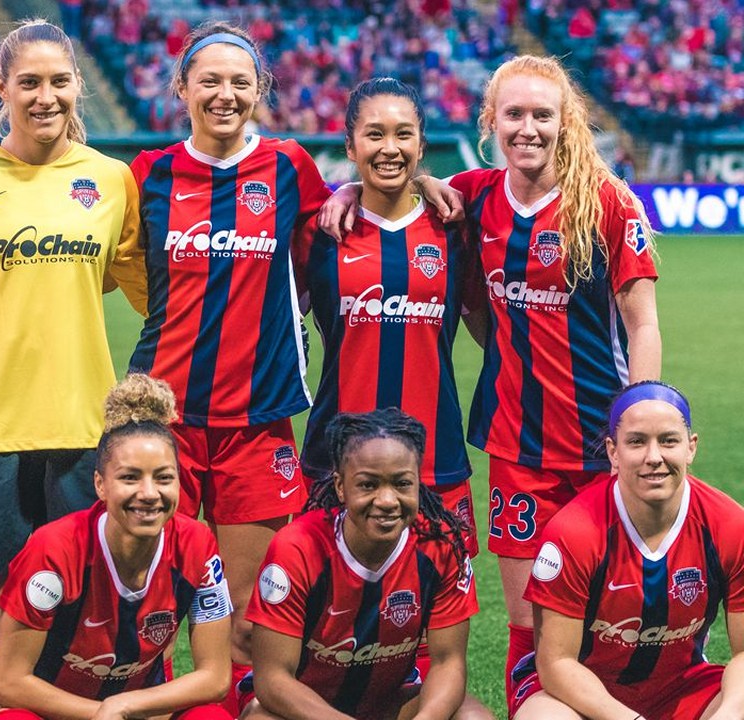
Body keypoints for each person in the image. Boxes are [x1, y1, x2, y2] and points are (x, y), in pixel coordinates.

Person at [322, 54, 661, 706]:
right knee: (529, 627)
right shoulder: (474, 196)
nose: (528, 128)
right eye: (514, 115)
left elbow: (643, 323)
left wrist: (638, 431)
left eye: (542, 115)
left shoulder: (607, 202)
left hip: (601, 448)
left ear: (565, 122)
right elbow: (400, 180)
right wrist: (345, 191)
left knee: (608, 619)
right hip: (516, 445)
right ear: (491, 121)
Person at [0, 20, 146, 716]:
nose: (46, 96)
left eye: (59, 81)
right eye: (30, 82)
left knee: (77, 605)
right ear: (1, 88)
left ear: (77, 86)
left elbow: (157, 293)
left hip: (84, 427)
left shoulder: (111, 181)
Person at [126, 22, 328, 706]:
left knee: (246, 615)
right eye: (209, 81)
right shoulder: (149, 174)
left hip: (258, 421)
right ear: (181, 88)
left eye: (240, 82)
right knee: (149, 604)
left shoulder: (290, 168)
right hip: (162, 421)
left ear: (259, 90)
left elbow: (341, 225)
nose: (224, 94)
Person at [0, 373, 232, 720]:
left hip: (134, 713)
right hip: (51, 713)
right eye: (130, 477)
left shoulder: (197, 545)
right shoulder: (54, 550)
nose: (149, 493)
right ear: (100, 484)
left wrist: (127, 706)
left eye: (164, 478)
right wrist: (104, 712)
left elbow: (216, 676)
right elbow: (7, 683)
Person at [303, 78, 476, 557]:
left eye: (403, 134)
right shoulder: (320, 233)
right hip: (336, 462)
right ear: (350, 145)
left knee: (439, 601)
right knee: (330, 600)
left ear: (422, 144)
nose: (390, 148)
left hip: (435, 459)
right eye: (374, 134)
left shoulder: (455, 230)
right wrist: (345, 191)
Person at [515, 381, 744, 719]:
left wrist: (729, 713)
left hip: (683, 688)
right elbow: (557, 664)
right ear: (613, 451)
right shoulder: (574, 532)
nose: (654, 457)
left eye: (668, 440)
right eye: (637, 442)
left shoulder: (730, 524)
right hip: (582, 695)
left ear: (691, 447)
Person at [242, 408, 490, 720]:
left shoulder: (441, 545)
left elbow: (447, 663)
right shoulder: (297, 548)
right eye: (368, 485)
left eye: (402, 483)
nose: (387, 501)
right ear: (340, 486)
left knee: (471, 716)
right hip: (305, 709)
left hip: (389, 705)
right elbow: (274, 680)